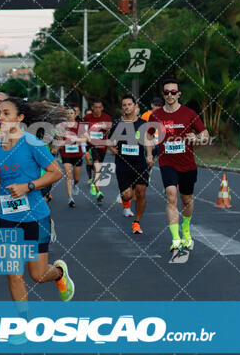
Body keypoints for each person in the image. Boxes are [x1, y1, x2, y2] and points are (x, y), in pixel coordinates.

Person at [0, 97, 75, 305]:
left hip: (36, 216)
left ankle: (59, 273)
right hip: (8, 217)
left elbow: (55, 173)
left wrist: (28, 186)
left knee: (39, 275)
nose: (0, 118)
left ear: (20, 118)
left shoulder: (31, 142)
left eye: (6, 114)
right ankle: (22, 322)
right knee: (14, 274)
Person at [146, 78, 209, 257]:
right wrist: (150, 154)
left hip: (188, 164)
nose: (170, 95)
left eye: (173, 92)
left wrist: (196, 139)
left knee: (186, 200)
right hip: (167, 163)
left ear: (179, 94)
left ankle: (186, 228)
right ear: (163, 94)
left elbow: (205, 135)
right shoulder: (155, 116)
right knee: (171, 196)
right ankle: (175, 240)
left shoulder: (189, 113)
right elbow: (149, 136)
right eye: (166, 92)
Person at [108, 94, 152, 234]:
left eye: (129, 104)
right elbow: (110, 140)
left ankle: (137, 222)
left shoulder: (142, 124)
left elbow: (148, 141)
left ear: (135, 106)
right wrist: (111, 148)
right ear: (122, 108)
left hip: (139, 163)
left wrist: (149, 155)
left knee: (141, 192)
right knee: (126, 195)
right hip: (123, 163)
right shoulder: (117, 124)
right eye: (124, 105)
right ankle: (126, 203)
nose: (127, 107)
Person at [84, 101, 112, 203]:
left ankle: (93, 183)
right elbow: (83, 131)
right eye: (95, 107)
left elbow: (110, 129)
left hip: (102, 146)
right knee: (97, 166)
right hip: (92, 145)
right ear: (92, 108)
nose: (97, 109)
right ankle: (98, 191)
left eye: (99, 107)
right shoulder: (87, 118)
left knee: (97, 168)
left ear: (102, 108)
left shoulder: (106, 117)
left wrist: (106, 128)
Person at [57, 107, 85, 208]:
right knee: (69, 176)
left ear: (75, 115)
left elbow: (87, 139)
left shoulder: (79, 126)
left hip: (77, 154)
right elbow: (59, 140)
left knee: (76, 178)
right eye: (67, 113)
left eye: (71, 113)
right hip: (66, 154)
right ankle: (70, 198)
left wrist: (76, 138)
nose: (69, 115)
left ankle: (75, 185)